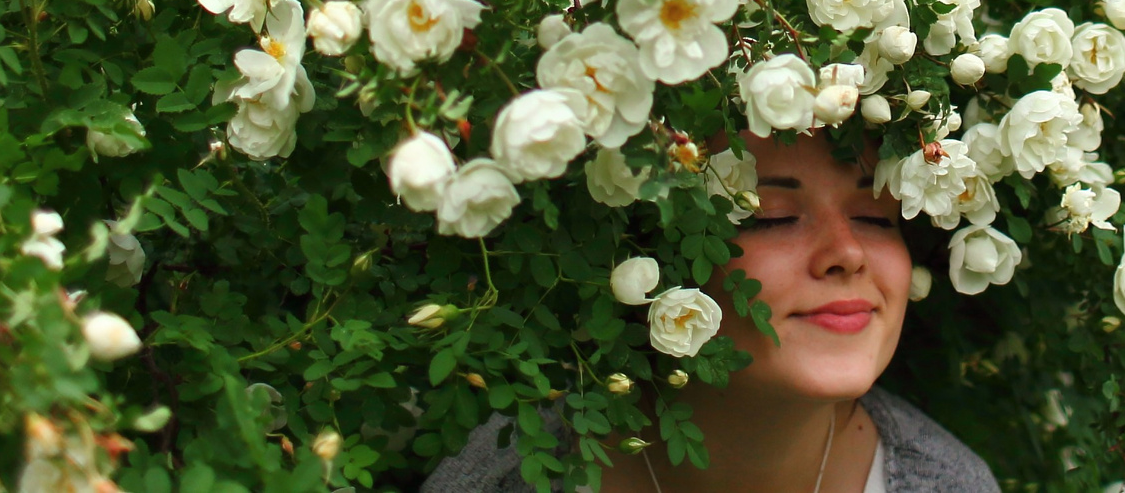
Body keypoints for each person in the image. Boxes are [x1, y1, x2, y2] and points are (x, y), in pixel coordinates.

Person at [422, 131, 997, 493]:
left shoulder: (949, 483)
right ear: (652, 251)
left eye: (876, 217)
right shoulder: (505, 475)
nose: (846, 253)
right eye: (770, 215)